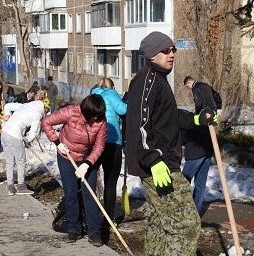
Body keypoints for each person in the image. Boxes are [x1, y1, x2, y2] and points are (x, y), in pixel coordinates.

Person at [124, 32, 217, 255]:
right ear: (151, 55)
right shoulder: (146, 81)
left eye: (173, 49)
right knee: (186, 225)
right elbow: (139, 124)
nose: (172, 54)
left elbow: (168, 116)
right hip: (160, 166)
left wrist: (195, 119)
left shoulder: (158, 79)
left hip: (164, 161)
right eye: (166, 50)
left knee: (161, 223)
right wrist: (153, 160)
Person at [41, 94, 107, 246]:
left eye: (99, 116)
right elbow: (46, 122)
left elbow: (99, 146)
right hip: (66, 157)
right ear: (86, 112)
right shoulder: (71, 112)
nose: (96, 120)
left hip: (87, 158)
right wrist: (57, 142)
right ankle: (74, 228)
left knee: (90, 194)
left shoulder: (101, 122)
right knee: (71, 193)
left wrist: (88, 164)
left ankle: (94, 232)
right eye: (94, 117)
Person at [89, 77, 127, 241]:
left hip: (95, 141)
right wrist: (126, 100)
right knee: (110, 181)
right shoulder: (112, 94)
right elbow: (124, 110)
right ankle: (108, 218)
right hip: (112, 141)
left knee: (92, 177)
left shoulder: (93, 93)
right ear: (112, 86)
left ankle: (90, 214)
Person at [181, 76, 219, 214]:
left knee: (183, 180)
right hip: (208, 144)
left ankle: (183, 211)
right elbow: (217, 98)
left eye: (187, 87)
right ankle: (195, 212)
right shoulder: (206, 85)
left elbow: (199, 106)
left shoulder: (197, 88)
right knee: (201, 183)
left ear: (189, 83)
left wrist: (200, 116)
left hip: (198, 145)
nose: (189, 89)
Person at [1, 90, 49, 195]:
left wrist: (7, 115)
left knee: (10, 161)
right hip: (15, 135)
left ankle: (10, 187)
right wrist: (28, 140)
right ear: (44, 108)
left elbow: (8, 106)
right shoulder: (38, 114)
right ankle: (21, 186)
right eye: (47, 110)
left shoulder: (25, 106)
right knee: (21, 161)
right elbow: (33, 132)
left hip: (4, 133)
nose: (46, 113)